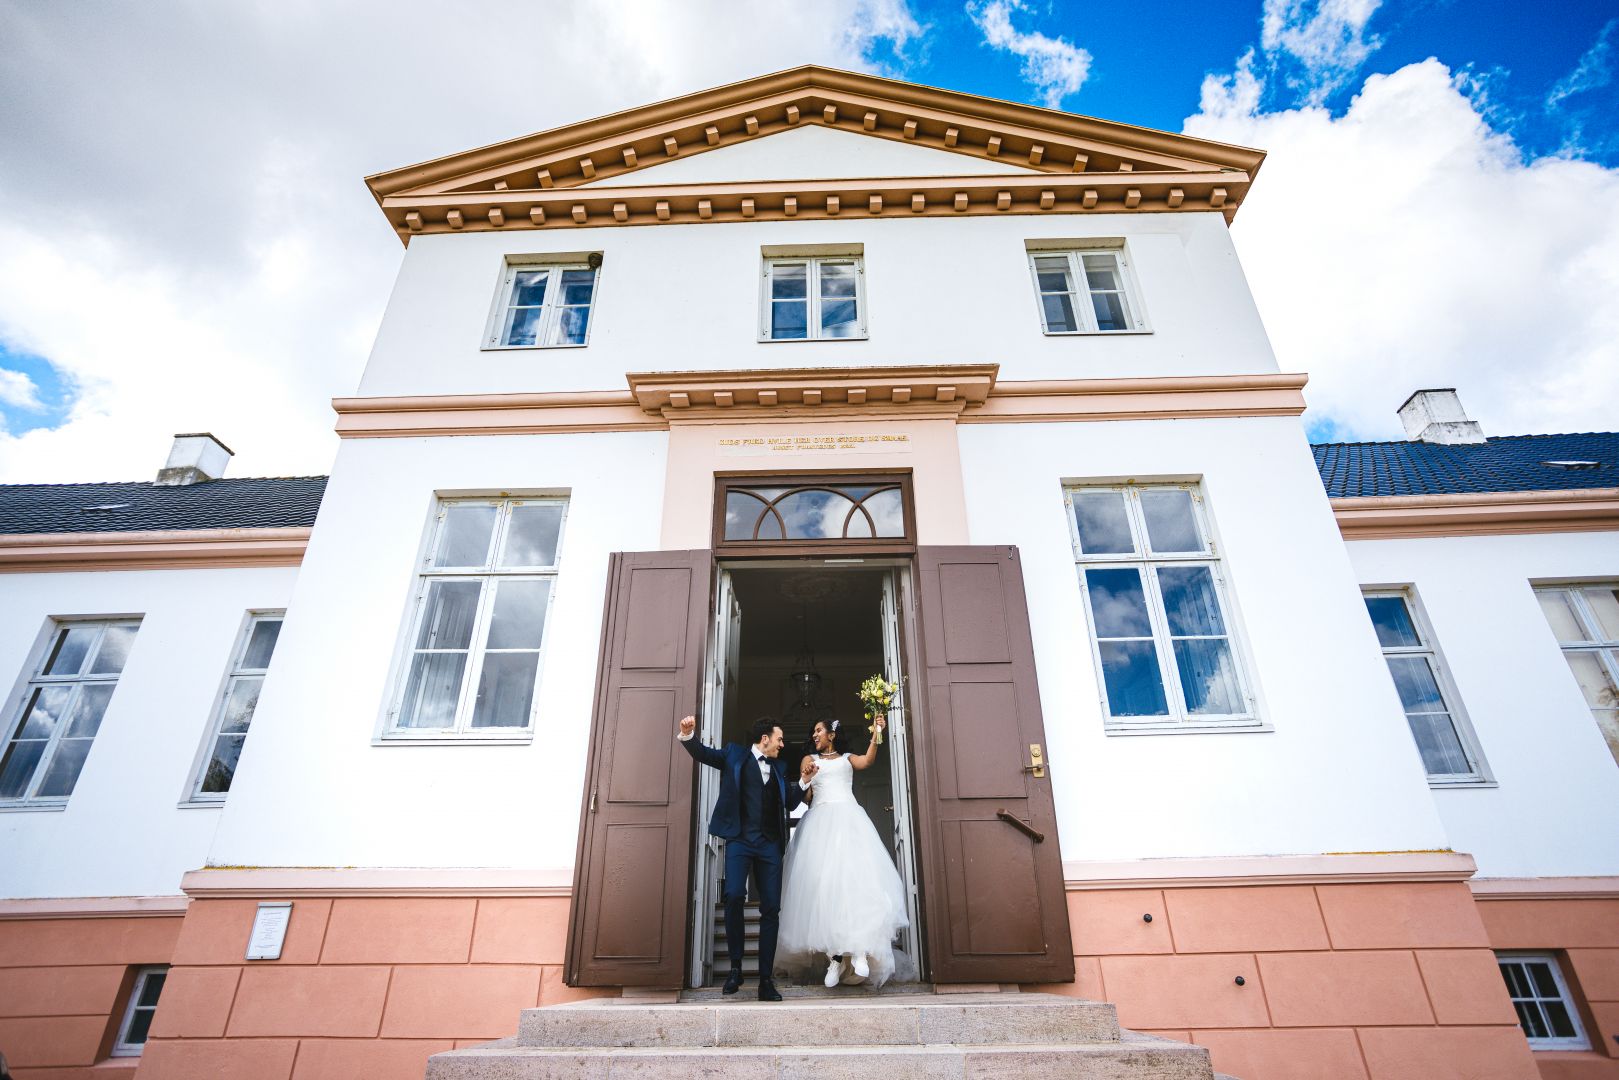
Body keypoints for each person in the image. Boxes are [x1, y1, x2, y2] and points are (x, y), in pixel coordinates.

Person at [677, 712, 814, 1001]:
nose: (782, 744)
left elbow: (789, 803)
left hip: (770, 846)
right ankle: (736, 968)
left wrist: (802, 781)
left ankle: (766, 980)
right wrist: (689, 735)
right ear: (765, 739)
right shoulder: (733, 755)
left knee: (771, 909)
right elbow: (703, 754)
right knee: (735, 895)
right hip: (740, 841)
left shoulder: (779, 767)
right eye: (779, 739)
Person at [777, 715, 911, 988]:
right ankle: (835, 958)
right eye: (813, 731)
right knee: (824, 891)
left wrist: (877, 734)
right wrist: (806, 779)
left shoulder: (848, 758)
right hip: (819, 824)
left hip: (850, 822)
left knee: (856, 886)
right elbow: (806, 795)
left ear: (831, 734)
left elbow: (867, 761)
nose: (815, 735)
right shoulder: (808, 759)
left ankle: (859, 951)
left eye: (819, 730)